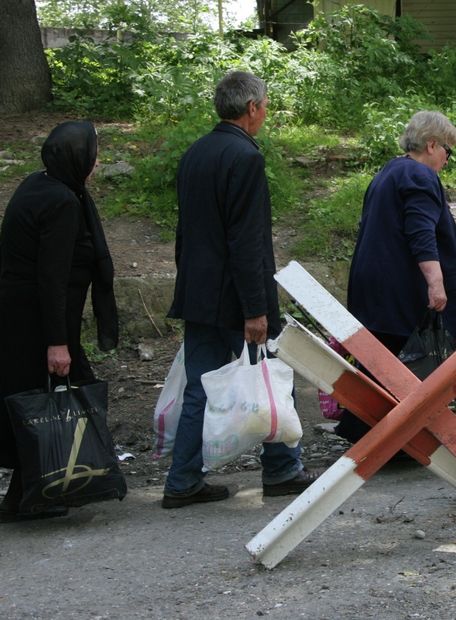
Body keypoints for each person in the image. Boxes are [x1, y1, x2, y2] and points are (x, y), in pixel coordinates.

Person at [164, 71, 321, 508]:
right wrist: (255, 309)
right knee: (272, 374)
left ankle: (182, 481)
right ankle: (282, 468)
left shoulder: (196, 152)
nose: (267, 111)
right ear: (252, 108)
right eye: (266, 104)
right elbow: (246, 240)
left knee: (199, 386)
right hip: (235, 296)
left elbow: (186, 233)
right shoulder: (245, 157)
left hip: (198, 290)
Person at [0, 121, 119, 523]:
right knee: (51, 400)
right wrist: (57, 342)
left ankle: (28, 493)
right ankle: (57, 484)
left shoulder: (39, 184)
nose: (96, 160)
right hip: (40, 318)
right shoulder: (63, 202)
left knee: (37, 399)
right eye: (93, 152)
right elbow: (52, 276)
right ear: (75, 157)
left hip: (22, 312)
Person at [338, 110, 456, 443]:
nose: (447, 158)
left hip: (375, 287)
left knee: (380, 363)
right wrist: (437, 283)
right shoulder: (419, 176)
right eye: (448, 150)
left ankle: (373, 437)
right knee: (410, 366)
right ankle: (405, 441)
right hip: (402, 291)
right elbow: (420, 232)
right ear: (431, 145)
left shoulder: (390, 170)